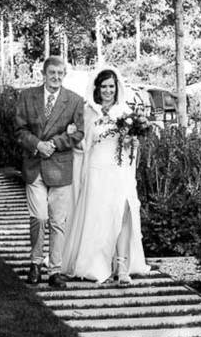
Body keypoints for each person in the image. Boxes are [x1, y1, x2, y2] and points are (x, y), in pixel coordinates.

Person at [62, 68, 151, 284]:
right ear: (97, 89)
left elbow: (129, 145)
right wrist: (74, 134)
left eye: (111, 86)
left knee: (124, 212)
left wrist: (133, 144)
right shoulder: (88, 111)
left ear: (117, 88)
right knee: (99, 216)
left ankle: (121, 267)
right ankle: (95, 262)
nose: (108, 90)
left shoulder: (124, 112)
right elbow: (84, 145)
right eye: (104, 87)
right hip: (96, 169)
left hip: (120, 170)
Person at [14, 56, 85, 288]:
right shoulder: (27, 96)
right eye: (52, 73)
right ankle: (35, 263)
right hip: (34, 166)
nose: (56, 77)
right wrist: (37, 144)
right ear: (43, 74)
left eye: (60, 73)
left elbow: (77, 134)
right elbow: (19, 130)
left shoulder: (74, 101)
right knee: (39, 217)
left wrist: (53, 143)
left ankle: (55, 270)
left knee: (57, 222)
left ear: (64, 75)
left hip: (60, 167)